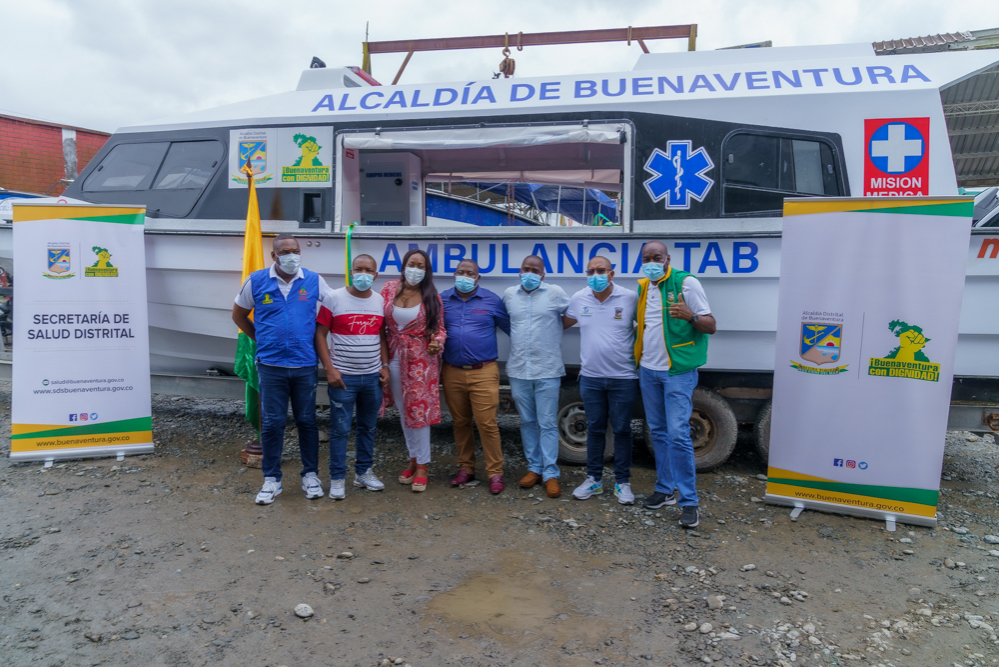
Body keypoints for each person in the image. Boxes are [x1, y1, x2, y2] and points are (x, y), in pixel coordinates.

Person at [231, 234, 329, 505]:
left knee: (307, 422)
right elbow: (238, 315)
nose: (291, 255)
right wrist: (260, 339)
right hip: (271, 367)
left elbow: (334, 308)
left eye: (295, 250)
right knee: (273, 423)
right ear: (274, 256)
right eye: (284, 251)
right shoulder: (257, 280)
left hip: (304, 365)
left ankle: (310, 475)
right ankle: (272, 480)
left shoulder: (313, 280)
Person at [636, 241, 716, 528]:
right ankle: (665, 488)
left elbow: (711, 324)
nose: (652, 262)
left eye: (657, 257)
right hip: (648, 370)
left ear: (667, 258)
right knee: (657, 431)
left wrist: (690, 316)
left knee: (678, 434)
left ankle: (690, 502)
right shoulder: (644, 286)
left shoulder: (687, 283)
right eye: (647, 258)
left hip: (677, 372)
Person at [563, 256, 639, 505]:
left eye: (601, 270)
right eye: (591, 271)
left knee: (622, 430)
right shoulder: (578, 298)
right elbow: (561, 323)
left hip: (623, 378)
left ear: (612, 273)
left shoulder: (629, 298)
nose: (596, 275)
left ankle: (622, 482)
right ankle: (593, 479)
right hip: (591, 378)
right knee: (595, 429)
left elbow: (646, 327)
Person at [315, 254, 390, 500]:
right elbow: (320, 334)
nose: (363, 274)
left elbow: (381, 337)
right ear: (351, 271)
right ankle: (337, 477)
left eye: (368, 270)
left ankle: (363, 472)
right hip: (343, 377)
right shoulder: (334, 298)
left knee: (368, 427)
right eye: (359, 269)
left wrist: (385, 365)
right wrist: (329, 368)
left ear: (375, 275)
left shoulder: (379, 301)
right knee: (339, 429)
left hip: (371, 378)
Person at [502, 255, 570, 499]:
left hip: (547, 369)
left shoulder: (555, 293)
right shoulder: (510, 295)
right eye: (525, 268)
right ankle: (534, 469)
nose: (529, 272)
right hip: (519, 369)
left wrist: (552, 332)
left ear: (543, 274)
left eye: (535, 270)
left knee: (548, 423)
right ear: (520, 271)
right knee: (527, 422)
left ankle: (551, 474)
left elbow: (571, 315)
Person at [441, 259, 511, 494]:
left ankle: (495, 472)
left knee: (487, 424)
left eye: (469, 273)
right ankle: (466, 468)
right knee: (460, 423)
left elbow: (512, 329)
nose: (464, 276)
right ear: (454, 275)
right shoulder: (441, 300)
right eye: (460, 272)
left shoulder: (492, 300)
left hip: (484, 371)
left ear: (477, 278)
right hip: (452, 372)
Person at [380, 249, 446, 493]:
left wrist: (437, 341)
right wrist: (383, 362)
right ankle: (413, 458)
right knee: (403, 411)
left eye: (421, 265)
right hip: (394, 357)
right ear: (403, 266)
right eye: (411, 264)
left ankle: (423, 466)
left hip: (420, 362)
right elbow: (380, 326)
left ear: (426, 271)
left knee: (419, 413)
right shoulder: (388, 289)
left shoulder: (431, 296)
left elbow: (440, 329)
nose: (415, 269)